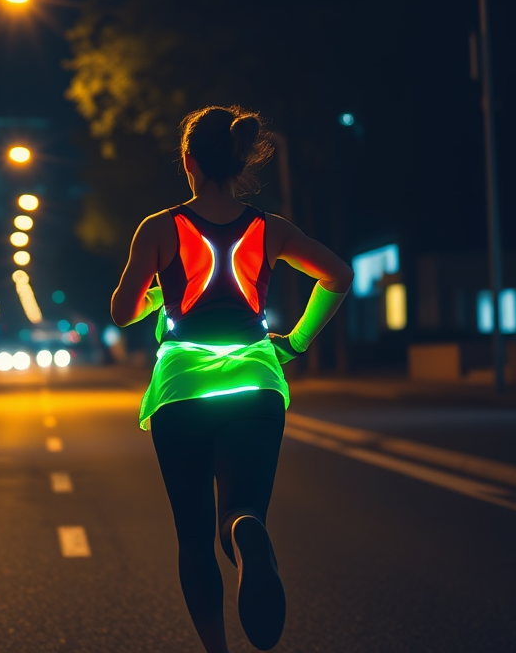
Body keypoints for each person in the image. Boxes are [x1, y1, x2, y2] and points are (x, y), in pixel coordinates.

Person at [110, 105, 353, 652]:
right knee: (240, 510)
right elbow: (338, 274)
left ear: (188, 161)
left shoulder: (159, 227)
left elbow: (123, 312)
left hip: (181, 389)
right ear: (241, 161)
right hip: (254, 382)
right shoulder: (271, 228)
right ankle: (245, 530)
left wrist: (160, 295)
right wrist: (295, 342)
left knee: (193, 538)